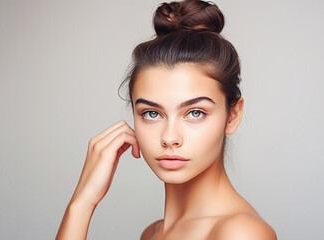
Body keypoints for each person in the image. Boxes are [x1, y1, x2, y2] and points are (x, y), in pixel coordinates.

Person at [56, 0, 277, 239]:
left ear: (232, 115)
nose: (169, 137)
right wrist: (82, 202)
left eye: (195, 112)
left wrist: (81, 206)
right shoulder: (152, 233)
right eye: (152, 113)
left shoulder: (241, 233)